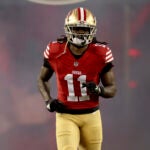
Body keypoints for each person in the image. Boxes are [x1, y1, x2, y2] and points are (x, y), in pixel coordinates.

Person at [37, 7, 117, 150]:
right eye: (77, 29)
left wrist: (99, 90)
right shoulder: (55, 50)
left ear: (92, 30)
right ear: (68, 29)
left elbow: (112, 89)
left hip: (91, 115)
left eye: (85, 30)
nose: (80, 33)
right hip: (66, 115)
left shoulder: (101, 53)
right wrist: (48, 101)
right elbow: (42, 79)